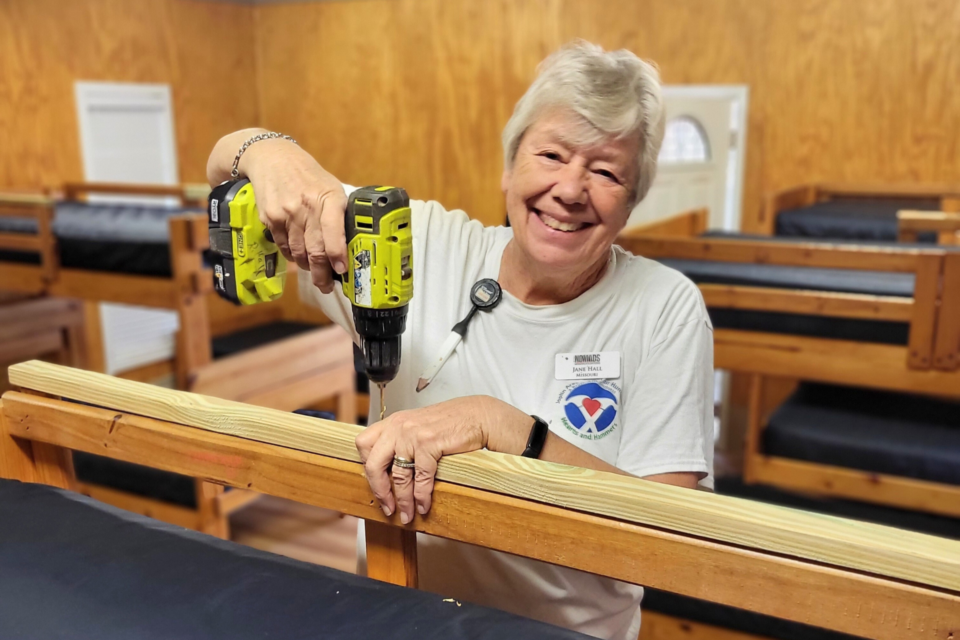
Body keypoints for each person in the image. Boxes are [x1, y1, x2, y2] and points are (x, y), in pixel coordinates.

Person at [207, 40, 714, 640]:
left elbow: (672, 542)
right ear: (508, 166)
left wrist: (503, 427)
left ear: (630, 202)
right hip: (400, 614)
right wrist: (271, 153)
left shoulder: (666, 309)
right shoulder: (413, 241)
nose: (571, 189)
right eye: (550, 154)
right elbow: (223, 165)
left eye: (605, 171)